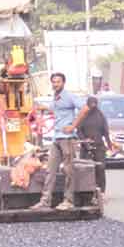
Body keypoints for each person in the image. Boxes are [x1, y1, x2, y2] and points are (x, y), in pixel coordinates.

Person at [30, 73, 90, 211]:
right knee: (50, 170)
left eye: (58, 82)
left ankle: (68, 201)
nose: (55, 84)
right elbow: (54, 109)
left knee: (68, 170)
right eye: (54, 82)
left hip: (67, 138)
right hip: (56, 138)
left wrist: (73, 126)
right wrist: (42, 108)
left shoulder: (69, 96)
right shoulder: (56, 98)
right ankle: (45, 201)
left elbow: (85, 108)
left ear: (63, 83)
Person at [78, 96, 112, 195]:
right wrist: (84, 141)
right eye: (91, 103)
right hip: (85, 147)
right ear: (87, 104)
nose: (93, 105)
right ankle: (85, 191)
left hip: (99, 146)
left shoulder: (100, 116)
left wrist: (109, 144)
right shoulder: (82, 116)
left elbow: (105, 131)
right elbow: (78, 131)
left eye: (94, 103)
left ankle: (101, 191)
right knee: (85, 169)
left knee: (100, 168)